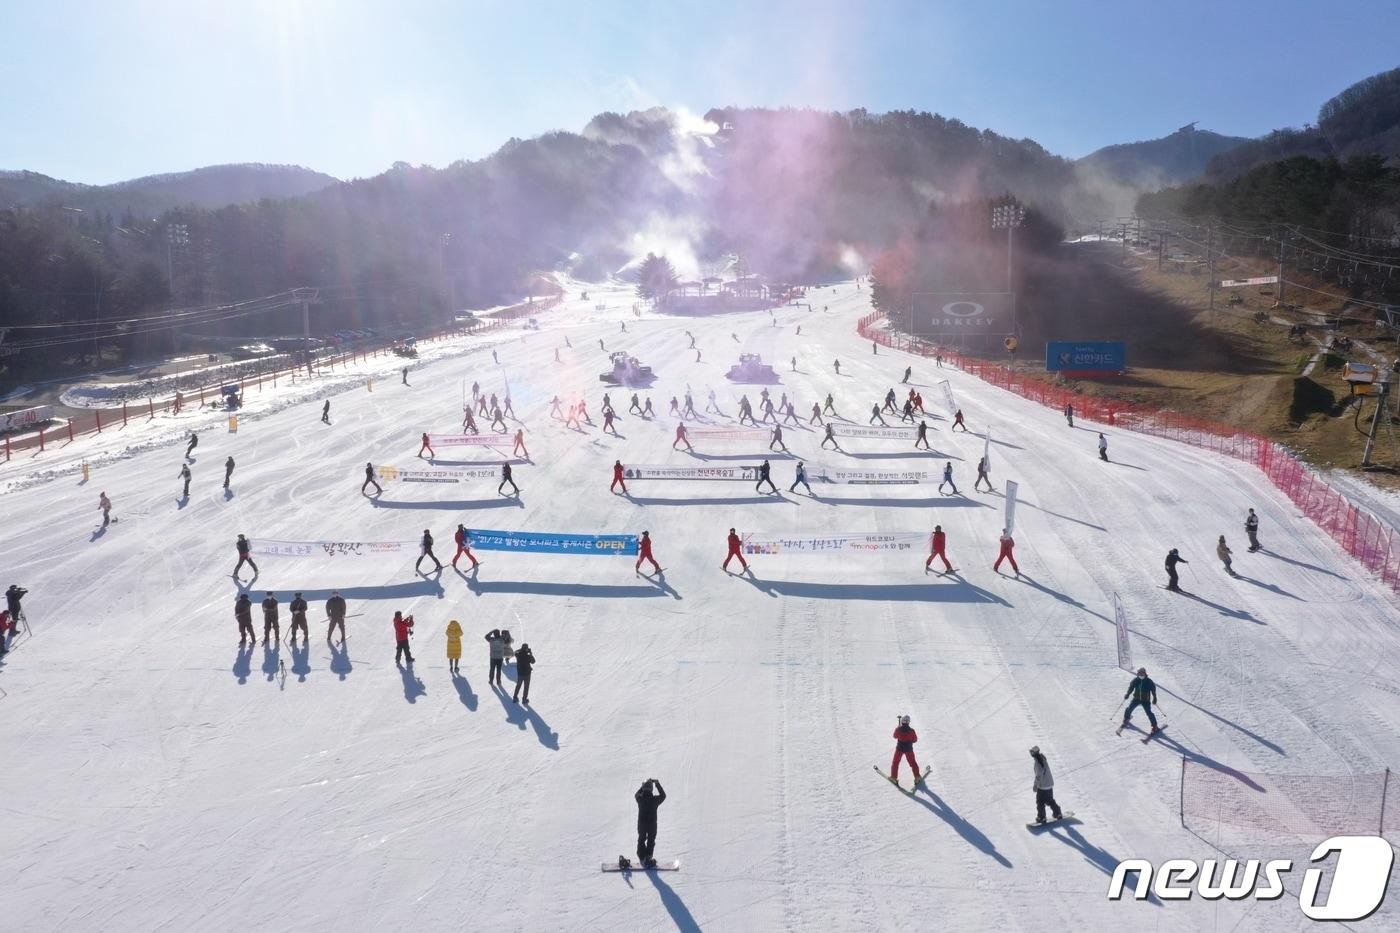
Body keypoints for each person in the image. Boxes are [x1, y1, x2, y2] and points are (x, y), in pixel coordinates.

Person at [634, 779, 667, 868]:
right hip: (652, 825)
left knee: (641, 839)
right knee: (651, 840)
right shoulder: (655, 800)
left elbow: (636, 794)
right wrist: (657, 784)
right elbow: (663, 796)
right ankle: (648, 857)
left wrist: (642, 786)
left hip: (642, 824)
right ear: (651, 789)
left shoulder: (640, 799)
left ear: (644, 789)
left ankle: (641, 856)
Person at [1029, 746, 1064, 825]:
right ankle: (1057, 813)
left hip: (1042, 786)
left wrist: (1035, 786)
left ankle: (1041, 817)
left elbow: (1038, 776)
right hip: (1049, 784)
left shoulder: (1037, 762)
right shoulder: (1042, 758)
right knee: (1050, 800)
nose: (1030, 754)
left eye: (1031, 752)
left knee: (1040, 802)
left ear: (1034, 753)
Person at [1121, 667, 1159, 734]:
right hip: (1136, 698)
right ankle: (1126, 717)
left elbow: (1153, 690)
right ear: (1138, 674)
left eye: (1142, 673)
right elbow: (1131, 688)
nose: (1141, 675)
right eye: (1139, 673)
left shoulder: (1149, 681)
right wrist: (1128, 694)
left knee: (1149, 713)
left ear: (1145, 674)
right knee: (1129, 708)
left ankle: (1155, 726)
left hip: (1145, 700)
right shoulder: (1136, 680)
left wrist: (1154, 697)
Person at [889, 715, 924, 786]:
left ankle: (894, 777)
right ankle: (917, 777)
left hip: (899, 749)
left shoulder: (898, 729)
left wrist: (897, 729)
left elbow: (895, 736)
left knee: (895, 763)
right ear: (908, 722)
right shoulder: (912, 731)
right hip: (909, 749)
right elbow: (915, 740)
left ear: (902, 721)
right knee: (913, 763)